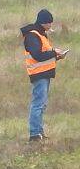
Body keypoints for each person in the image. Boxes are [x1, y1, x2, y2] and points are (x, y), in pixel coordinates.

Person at [22, 8, 68, 142]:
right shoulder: (33, 35)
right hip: (38, 74)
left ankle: (39, 131)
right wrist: (54, 53)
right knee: (38, 103)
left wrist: (57, 56)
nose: (51, 26)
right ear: (44, 22)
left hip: (45, 73)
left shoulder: (41, 34)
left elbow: (44, 55)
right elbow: (37, 55)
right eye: (50, 23)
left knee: (42, 104)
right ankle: (34, 133)